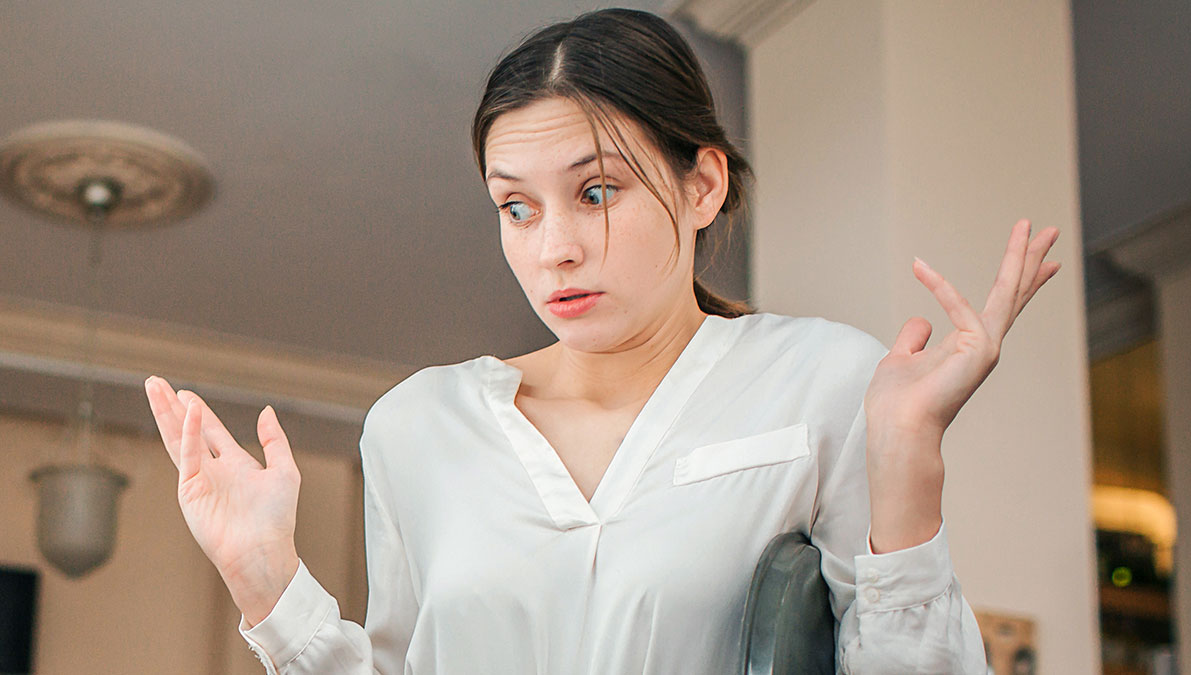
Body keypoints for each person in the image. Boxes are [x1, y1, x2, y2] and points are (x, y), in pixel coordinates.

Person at [144, 8, 1061, 674]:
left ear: (702, 185)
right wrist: (270, 585)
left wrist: (907, 463)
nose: (555, 247)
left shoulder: (821, 381)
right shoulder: (416, 427)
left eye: (596, 191)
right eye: (516, 206)